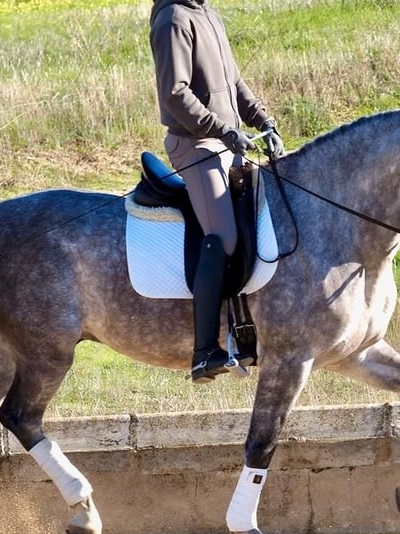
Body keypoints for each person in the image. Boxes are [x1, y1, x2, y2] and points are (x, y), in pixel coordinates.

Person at [149, 0, 285, 382]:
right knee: (223, 237)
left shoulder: (208, 14)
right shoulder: (173, 18)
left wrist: (264, 120)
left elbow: (235, 84)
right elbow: (175, 93)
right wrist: (220, 129)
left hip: (228, 142)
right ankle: (204, 351)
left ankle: (247, 328)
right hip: (197, 145)